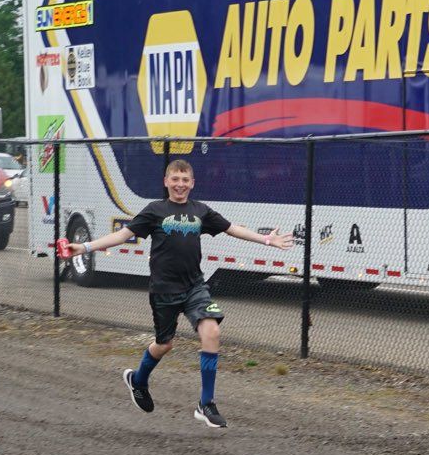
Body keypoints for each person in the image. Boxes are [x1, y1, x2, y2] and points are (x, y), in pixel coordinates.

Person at [62, 159, 293, 428]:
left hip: (195, 286)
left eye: (185, 180)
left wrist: (266, 240)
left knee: (212, 332)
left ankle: (205, 404)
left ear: (192, 183)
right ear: (166, 181)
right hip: (163, 290)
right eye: (175, 179)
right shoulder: (154, 211)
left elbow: (232, 229)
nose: (180, 184)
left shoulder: (201, 211)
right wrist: (85, 247)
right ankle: (138, 380)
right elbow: (122, 235)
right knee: (164, 345)